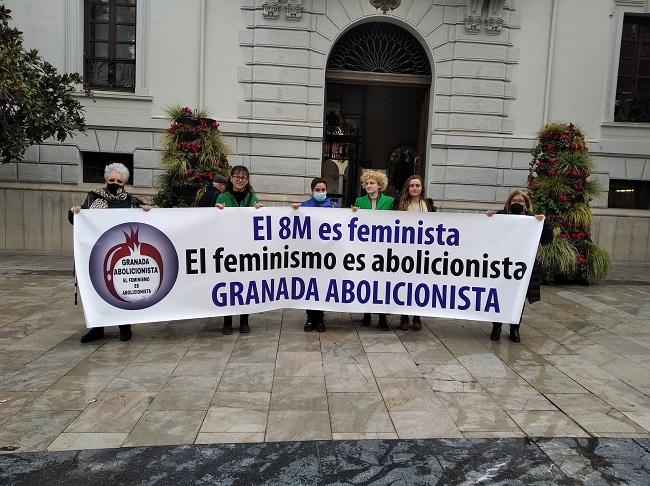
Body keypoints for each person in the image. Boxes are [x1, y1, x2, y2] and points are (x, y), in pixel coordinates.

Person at [68, 162, 151, 343]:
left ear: (124, 182)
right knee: (96, 290)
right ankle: (97, 328)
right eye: (111, 179)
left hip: (121, 253)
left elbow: (147, 218)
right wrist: (75, 212)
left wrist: (146, 209)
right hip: (97, 252)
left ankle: (125, 327)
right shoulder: (93, 197)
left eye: (119, 180)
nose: (115, 183)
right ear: (106, 180)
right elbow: (79, 219)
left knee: (122, 289)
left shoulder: (130, 200)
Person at [486, 190, 553, 342]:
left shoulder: (532, 220)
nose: (517, 203)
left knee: (518, 297)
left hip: (522, 266)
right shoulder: (500, 217)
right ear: (509, 203)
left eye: (521, 201)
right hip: (501, 265)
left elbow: (547, 240)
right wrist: (489, 218)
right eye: (514, 200)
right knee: (499, 296)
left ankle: (514, 328)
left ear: (526, 204)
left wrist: (544, 223)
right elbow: (488, 235)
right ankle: (496, 326)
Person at [215, 165, 263, 335]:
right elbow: (215, 222)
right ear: (231, 178)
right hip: (228, 249)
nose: (240, 180)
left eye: (243, 177)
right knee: (228, 285)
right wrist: (217, 212)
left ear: (247, 180)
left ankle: (244, 321)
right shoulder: (222, 197)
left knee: (245, 285)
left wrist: (260, 212)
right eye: (236, 177)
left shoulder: (253, 199)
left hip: (247, 250)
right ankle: (227, 321)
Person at [292, 177, 339, 332]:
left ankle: (320, 318)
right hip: (309, 254)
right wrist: (293, 210)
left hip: (326, 254)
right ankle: (310, 318)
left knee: (322, 286)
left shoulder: (334, 207)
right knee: (310, 286)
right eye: (317, 190)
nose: (320, 192)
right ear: (312, 191)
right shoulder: (305, 206)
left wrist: (353, 212)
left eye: (323, 190)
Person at [352, 170, 395, 330]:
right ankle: (366, 313)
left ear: (380, 185)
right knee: (366, 282)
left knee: (382, 283)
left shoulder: (390, 201)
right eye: (367, 183)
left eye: (372, 183)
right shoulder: (359, 201)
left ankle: (382, 318)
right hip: (365, 250)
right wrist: (353, 213)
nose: (369, 186)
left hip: (383, 250)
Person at [396, 175, 436, 331]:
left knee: (420, 285)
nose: (414, 188)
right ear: (408, 187)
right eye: (411, 185)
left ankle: (417, 317)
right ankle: (404, 317)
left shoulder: (429, 205)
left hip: (423, 252)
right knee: (404, 285)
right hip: (404, 251)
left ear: (422, 188)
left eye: (417, 185)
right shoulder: (399, 205)